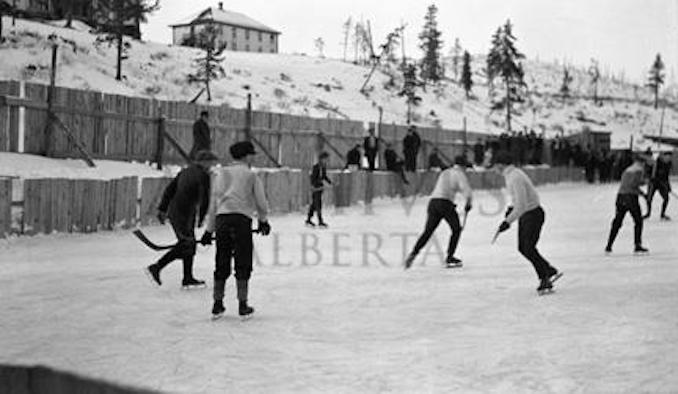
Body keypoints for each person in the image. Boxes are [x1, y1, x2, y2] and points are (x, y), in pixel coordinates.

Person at [201, 141, 271, 319]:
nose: (252, 158)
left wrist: (209, 231)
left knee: (222, 260)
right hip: (241, 221)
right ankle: (242, 305)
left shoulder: (220, 174)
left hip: (223, 220)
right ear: (246, 156)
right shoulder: (250, 175)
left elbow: (213, 204)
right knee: (243, 261)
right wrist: (263, 221)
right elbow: (261, 203)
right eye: (251, 155)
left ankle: (217, 304)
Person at [145, 150, 218, 288]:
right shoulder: (203, 175)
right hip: (184, 213)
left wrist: (162, 209)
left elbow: (169, 190)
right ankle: (157, 267)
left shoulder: (185, 171)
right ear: (204, 162)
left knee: (188, 245)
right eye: (211, 162)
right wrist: (202, 218)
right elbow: (205, 199)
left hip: (176, 212)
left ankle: (187, 277)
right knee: (187, 244)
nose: (212, 165)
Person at [493, 151, 561, 294]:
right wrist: (511, 209)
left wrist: (508, 221)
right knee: (523, 248)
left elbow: (522, 204)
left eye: (495, 166)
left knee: (528, 248)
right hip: (526, 214)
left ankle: (545, 278)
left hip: (533, 214)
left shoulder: (515, 177)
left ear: (500, 165)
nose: (494, 169)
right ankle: (548, 269)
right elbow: (517, 199)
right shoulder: (511, 175)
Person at [404, 155, 473, 269]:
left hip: (433, 202)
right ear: (462, 166)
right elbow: (467, 192)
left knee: (428, 231)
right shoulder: (460, 174)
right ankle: (450, 257)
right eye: (466, 167)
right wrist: (468, 204)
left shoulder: (445, 172)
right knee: (456, 229)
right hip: (445, 203)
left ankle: (413, 253)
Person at [605, 154, 649, 254]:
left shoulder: (628, 169)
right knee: (638, 221)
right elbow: (633, 185)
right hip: (631, 198)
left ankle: (609, 245)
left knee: (617, 221)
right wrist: (643, 194)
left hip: (620, 196)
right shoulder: (639, 170)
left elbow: (626, 183)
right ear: (642, 163)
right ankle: (637, 244)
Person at [306, 152, 333, 228]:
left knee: (314, 205)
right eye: (326, 159)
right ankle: (320, 221)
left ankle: (308, 220)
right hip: (316, 188)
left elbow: (324, 176)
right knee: (318, 205)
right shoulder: (316, 167)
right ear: (322, 159)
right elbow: (313, 178)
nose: (327, 160)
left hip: (320, 187)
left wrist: (330, 182)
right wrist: (314, 185)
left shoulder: (323, 167)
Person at [644, 151, 673, 220]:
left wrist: (668, 186)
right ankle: (648, 213)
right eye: (667, 157)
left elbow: (666, 176)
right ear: (664, 156)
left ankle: (662, 214)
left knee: (666, 198)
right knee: (649, 198)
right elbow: (648, 172)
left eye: (670, 158)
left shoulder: (668, 164)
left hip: (661, 183)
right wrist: (651, 178)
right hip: (653, 183)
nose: (668, 159)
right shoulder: (655, 162)